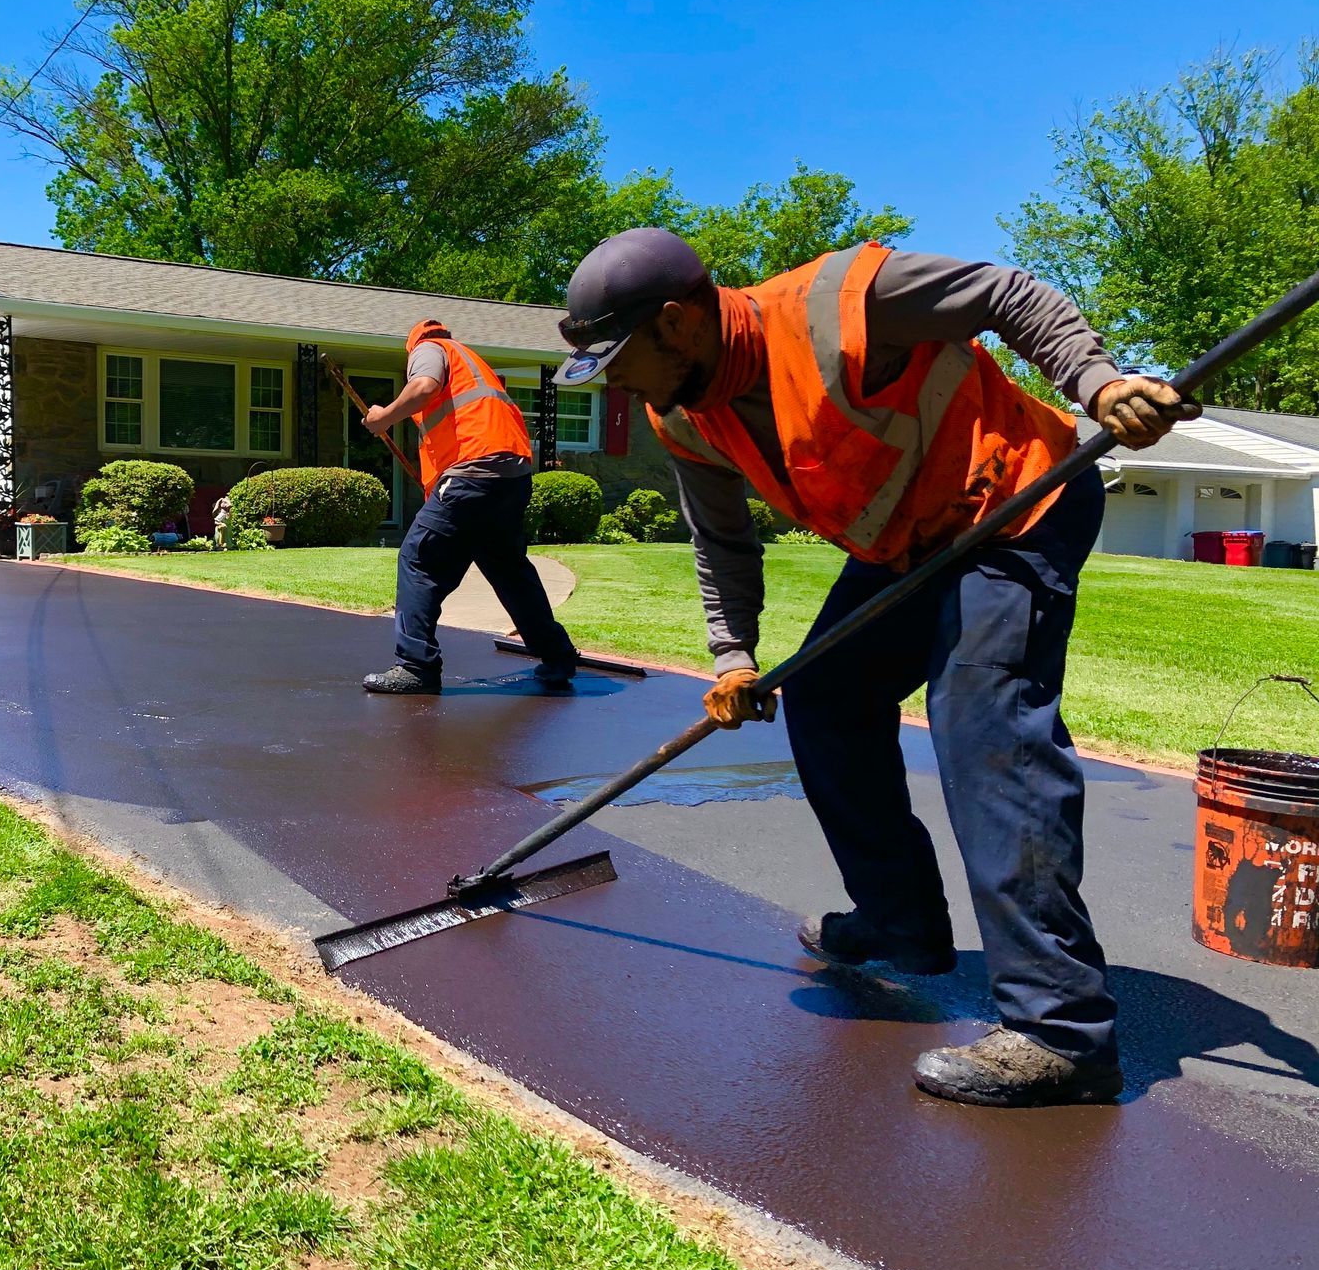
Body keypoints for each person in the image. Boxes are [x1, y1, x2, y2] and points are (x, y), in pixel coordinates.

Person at [554, 228, 1197, 1106]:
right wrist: (734, 655)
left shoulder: (841, 302)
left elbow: (1008, 293)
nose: (617, 384)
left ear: (677, 324)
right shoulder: (685, 415)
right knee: (824, 697)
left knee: (985, 723)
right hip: (907, 540)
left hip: (1015, 503)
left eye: (620, 361)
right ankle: (904, 926)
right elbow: (722, 541)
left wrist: (1100, 382)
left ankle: (1063, 1030)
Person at [360, 319, 580, 695]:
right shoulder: (472, 363)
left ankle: (416, 666)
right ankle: (557, 657)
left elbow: (423, 387)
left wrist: (383, 417)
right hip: (510, 476)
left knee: (418, 560)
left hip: (473, 473)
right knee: (509, 569)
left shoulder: (429, 351)